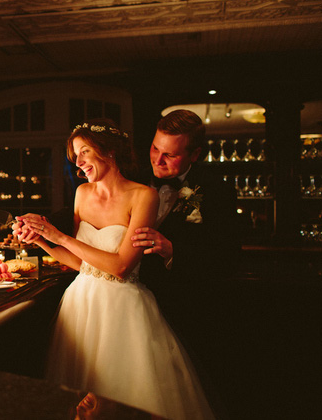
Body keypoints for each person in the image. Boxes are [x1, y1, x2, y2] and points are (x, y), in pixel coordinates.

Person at [13, 119, 215, 420]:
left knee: (124, 397)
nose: (78, 162)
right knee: (77, 401)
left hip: (123, 310)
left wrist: (59, 236)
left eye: (84, 152)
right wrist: (41, 241)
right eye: (75, 156)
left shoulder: (143, 195)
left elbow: (121, 267)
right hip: (80, 305)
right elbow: (83, 263)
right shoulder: (82, 193)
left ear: (108, 151)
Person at [130, 110, 239, 381]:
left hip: (187, 311)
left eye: (171, 155)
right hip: (132, 307)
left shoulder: (216, 190)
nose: (158, 159)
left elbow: (228, 257)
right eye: (155, 148)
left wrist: (172, 250)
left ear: (195, 155)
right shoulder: (132, 180)